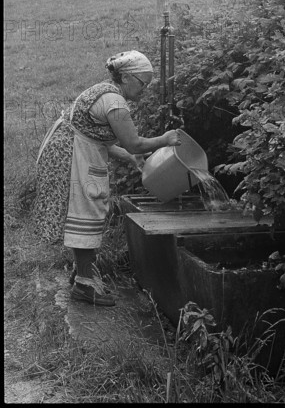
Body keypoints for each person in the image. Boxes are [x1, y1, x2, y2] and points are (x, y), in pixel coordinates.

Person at [32, 50, 181, 306]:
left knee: (84, 215)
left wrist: (130, 158)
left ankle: (83, 275)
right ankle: (85, 286)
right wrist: (165, 140)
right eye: (143, 83)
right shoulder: (115, 102)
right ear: (125, 77)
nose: (145, 89)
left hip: (71, 150)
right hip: (72, 157)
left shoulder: (105, 91)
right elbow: (134, 142)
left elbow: (102, 139)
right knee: (86, 214)